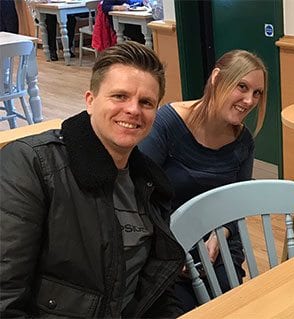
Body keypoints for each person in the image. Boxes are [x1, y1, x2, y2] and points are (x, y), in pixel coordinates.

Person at [0, 41, 185, 317]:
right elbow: (5, 298)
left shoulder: (150, 182)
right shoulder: (31, 165)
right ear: (90, 100)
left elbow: (155, 287)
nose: (134, 110)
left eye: (146, 102)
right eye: (120, 96)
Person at [138, 49, 268, 310]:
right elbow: (138, 197)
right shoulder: (167, 124)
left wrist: (219, 237)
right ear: (217, 78)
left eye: (257, 93)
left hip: (218, 241)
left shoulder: (243, 141)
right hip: (163, 241)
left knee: (229, 305)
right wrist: (173, 248)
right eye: (242, 87)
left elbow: (236, 202)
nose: (249, 100)